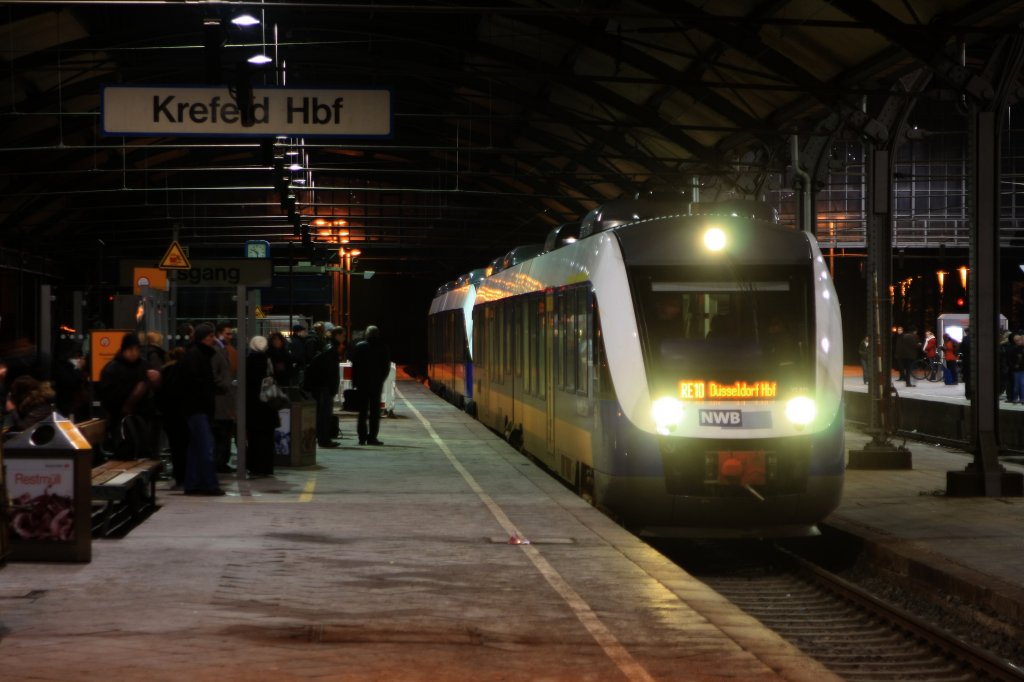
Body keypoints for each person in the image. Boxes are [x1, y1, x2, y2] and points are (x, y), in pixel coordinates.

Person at [97, 332, 160, 459]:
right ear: (124, 350)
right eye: (130, 349)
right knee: (127, 451)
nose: (133, 353)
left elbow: (155, 392)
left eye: (136, 349)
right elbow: (108, 397)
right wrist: (134, 395)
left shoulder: (144, 366)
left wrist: (156, 381)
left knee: (144, 452)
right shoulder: (112, 369)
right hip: (121, 423)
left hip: (142, 419)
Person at [180, 323, 225, 496]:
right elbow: (196, 384)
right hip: (198, 408)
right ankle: (208, 483)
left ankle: (193, 483)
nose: (213, 340)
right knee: (206, 446)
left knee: (196, 448)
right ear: (202, 338)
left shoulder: (197, 355)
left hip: (196, 408)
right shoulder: (197, 356)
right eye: (210, 336)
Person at [305, 326, 346, 448]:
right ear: (337, 335)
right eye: (343, 335)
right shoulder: (331, 349)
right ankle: (324, 439)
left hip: (324, 386)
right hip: (325, 387)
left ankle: (323, 438)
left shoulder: (328, 347)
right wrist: (331, 386)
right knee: (324, 414)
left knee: (324, 414)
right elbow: (329, 371)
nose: (344, 337)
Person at [350, 325, 391, 446]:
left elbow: (355, 367)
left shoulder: (359, 346)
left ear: (366, 334)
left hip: (362, 384)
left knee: (362, 412)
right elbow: (386, 367)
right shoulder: (383, 347)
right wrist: (380, 380)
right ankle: (372, 437)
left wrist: (355, 382)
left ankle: (362, 437)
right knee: (374, 413)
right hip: (376, 384)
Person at [245, 336, 279, 476]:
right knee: (267, 438)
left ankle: (255, 467)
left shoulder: (248, 362)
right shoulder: (268, 361)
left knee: (254, 438)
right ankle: (267, 467)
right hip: (268, 406)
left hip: (253, 406)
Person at [156, 346, 189, 489]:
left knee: (176, 448)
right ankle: (185, 477)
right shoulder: (185, 370)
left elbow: (161, 394)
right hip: (184, 414)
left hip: (170, 415)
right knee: (185, 447)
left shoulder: (164, 371)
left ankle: (179, 478)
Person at [211, 322, 237, 473]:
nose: (230, 336)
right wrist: (226, 385)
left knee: (225, 433)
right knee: (221, 433)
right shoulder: (217, 351)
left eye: (231, 333)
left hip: (226, 399)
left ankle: (221, 462)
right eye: (227, 333)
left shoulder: (225, 350)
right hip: (221, 399)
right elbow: (215, 375)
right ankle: (219, 463)